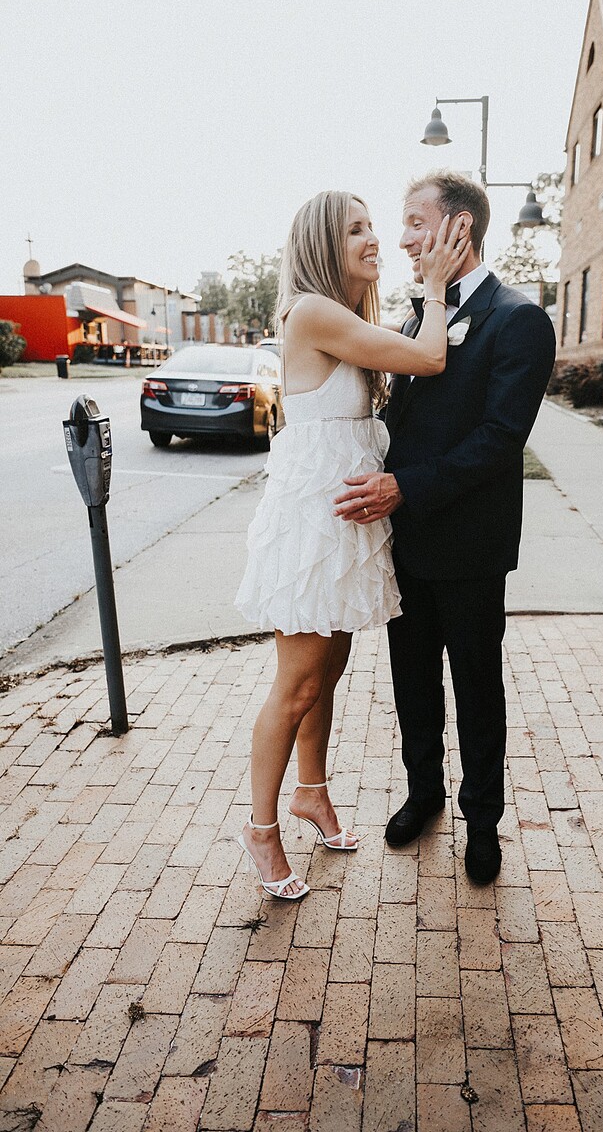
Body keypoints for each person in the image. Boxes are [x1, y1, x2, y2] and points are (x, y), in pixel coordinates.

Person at [234, 190, 469, 900]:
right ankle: (261, 830)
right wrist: (435, 284)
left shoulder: (342, 316)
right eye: (356, 230)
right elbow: (429, 358)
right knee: (296, 685)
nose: (375, 240)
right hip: (314, 528)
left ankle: (312, 792)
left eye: (373, 227)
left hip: (344, 522)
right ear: (321, 244)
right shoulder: (312, 311)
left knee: (326, 675)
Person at [334, 171, 556, 884]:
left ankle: (482, 822)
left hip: (470, 546)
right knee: (412, 683)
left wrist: (406, 486)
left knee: (476, 688)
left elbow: (499, 440)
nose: (402, 239)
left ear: (461, 228)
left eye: (415, 222)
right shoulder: (415, 322)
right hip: (406, 542)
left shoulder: (519, 319)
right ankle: (423, 792)